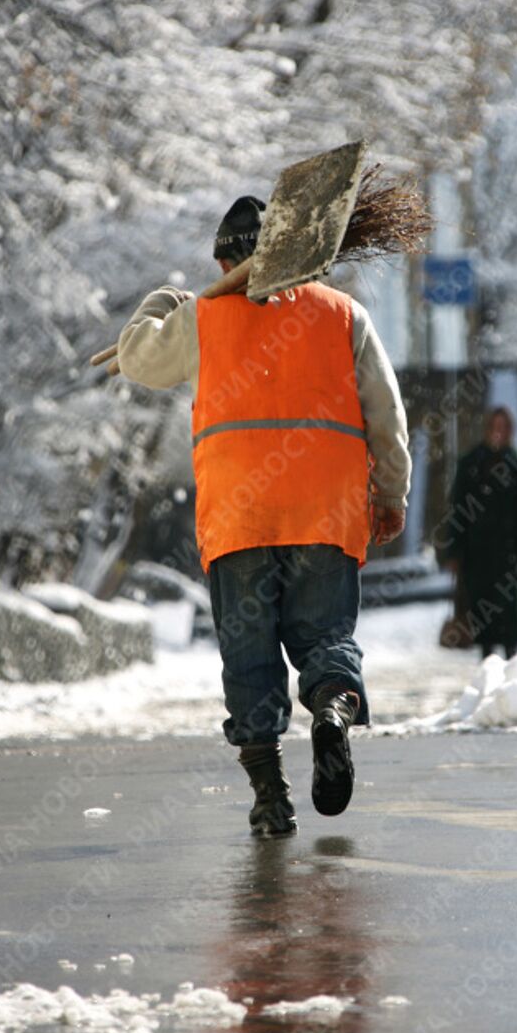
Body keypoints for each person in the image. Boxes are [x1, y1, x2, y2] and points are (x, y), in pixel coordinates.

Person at [116, 194, 411, 837]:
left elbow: (137, 357)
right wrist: (390, 494)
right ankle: (332, 705)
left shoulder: (202, 317)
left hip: (240, 519)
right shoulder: (344, 314)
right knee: (325, 636)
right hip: (327, 515)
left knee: (248, 656)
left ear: (224, 259)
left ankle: (270, 795)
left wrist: (164, 302)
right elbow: (386, 414)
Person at [440, 407, 517, 660]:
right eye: (494, 427)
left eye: (503, 428)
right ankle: (488, 662)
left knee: (511, 616)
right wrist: (454, 551)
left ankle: (512, 661)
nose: (498, 433)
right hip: (478, 553)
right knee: (483, 614)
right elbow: (458, 510)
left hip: (510, 553)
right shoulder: (471, 463)